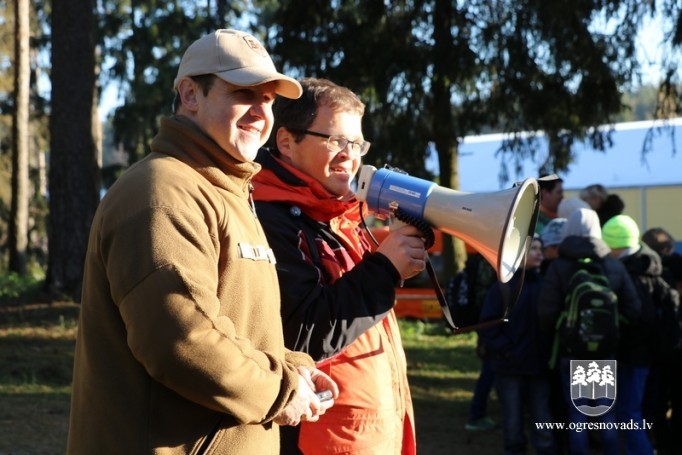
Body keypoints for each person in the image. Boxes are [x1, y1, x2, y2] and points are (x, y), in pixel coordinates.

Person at [66, 30, 338, 455]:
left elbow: (234, 325)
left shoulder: (225, 192)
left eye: (268, 99)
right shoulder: (161, 193)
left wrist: (290, 368)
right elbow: (181, 340)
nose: (261, 112)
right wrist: (280, 392)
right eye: (244, 93)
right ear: (190, 94)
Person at [252, 77, 425, 454]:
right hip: (322, 438)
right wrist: (385, 269)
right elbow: (301, 336)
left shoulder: (341, 216)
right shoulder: (269, 219)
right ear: (286, 142)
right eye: (336, 141)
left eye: (357, 144)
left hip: (371, 435)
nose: (351, 155)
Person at [538, 208, 641, 455]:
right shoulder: (613, 266)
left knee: (577, 413)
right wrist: (613, 328)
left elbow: (546, 312)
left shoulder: (558, 267)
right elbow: (634, 309)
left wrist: (563, 330)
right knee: (606, 413)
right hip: (605, 351)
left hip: (571, 350)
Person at [479, 236, 558, 454]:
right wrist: (506, 350)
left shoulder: (546, 285)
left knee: (542, 419)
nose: (539, 253)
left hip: (539, 366)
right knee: (512, 422)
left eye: (540, 248)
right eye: (533, 249)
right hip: (510, 367)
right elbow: (488, 325)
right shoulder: (503, 287)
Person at [602, 215, 660, 455]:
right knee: (633, 411)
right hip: (646, 354)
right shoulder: (652, 265)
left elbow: (638, 318)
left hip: (630, 355)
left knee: (628, 412)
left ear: (615, 246)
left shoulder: (628, 273)